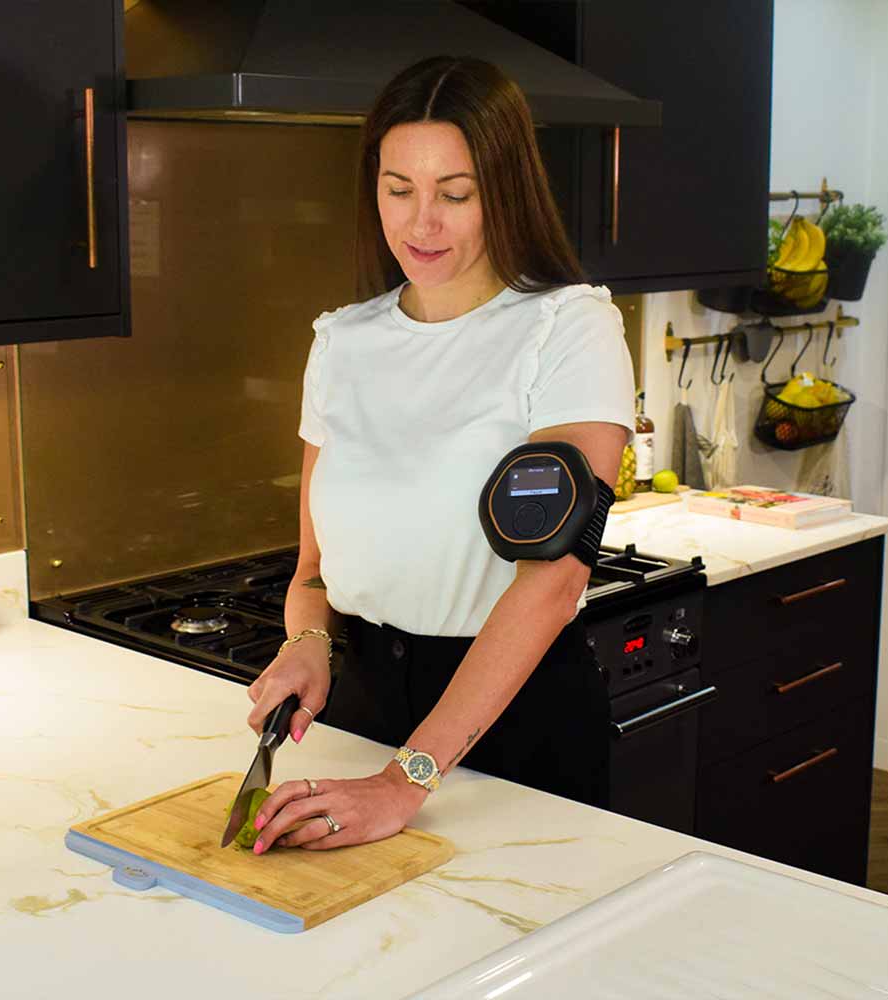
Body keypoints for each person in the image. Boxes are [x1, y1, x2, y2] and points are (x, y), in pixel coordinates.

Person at [244, 55, 635, 854]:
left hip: (514, 727)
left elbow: (555, 582)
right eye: (399, 190)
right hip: (363, 717)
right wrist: (306, 644)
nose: (421, 224)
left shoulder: (568, 330)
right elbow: (313, 571)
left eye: (455, 194)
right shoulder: (342, 342)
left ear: (505, 189)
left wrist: (405, 779)